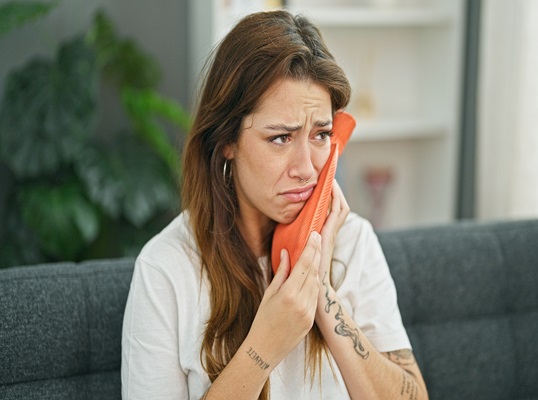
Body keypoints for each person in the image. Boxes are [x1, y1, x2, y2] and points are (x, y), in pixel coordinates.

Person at [121, 9, 428, 400]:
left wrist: (322, 295)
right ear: (227, 140)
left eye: (321, 136)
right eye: (281, 138)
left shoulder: (353, 241)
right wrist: (265, 346)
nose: (307, 169)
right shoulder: (166, 269)